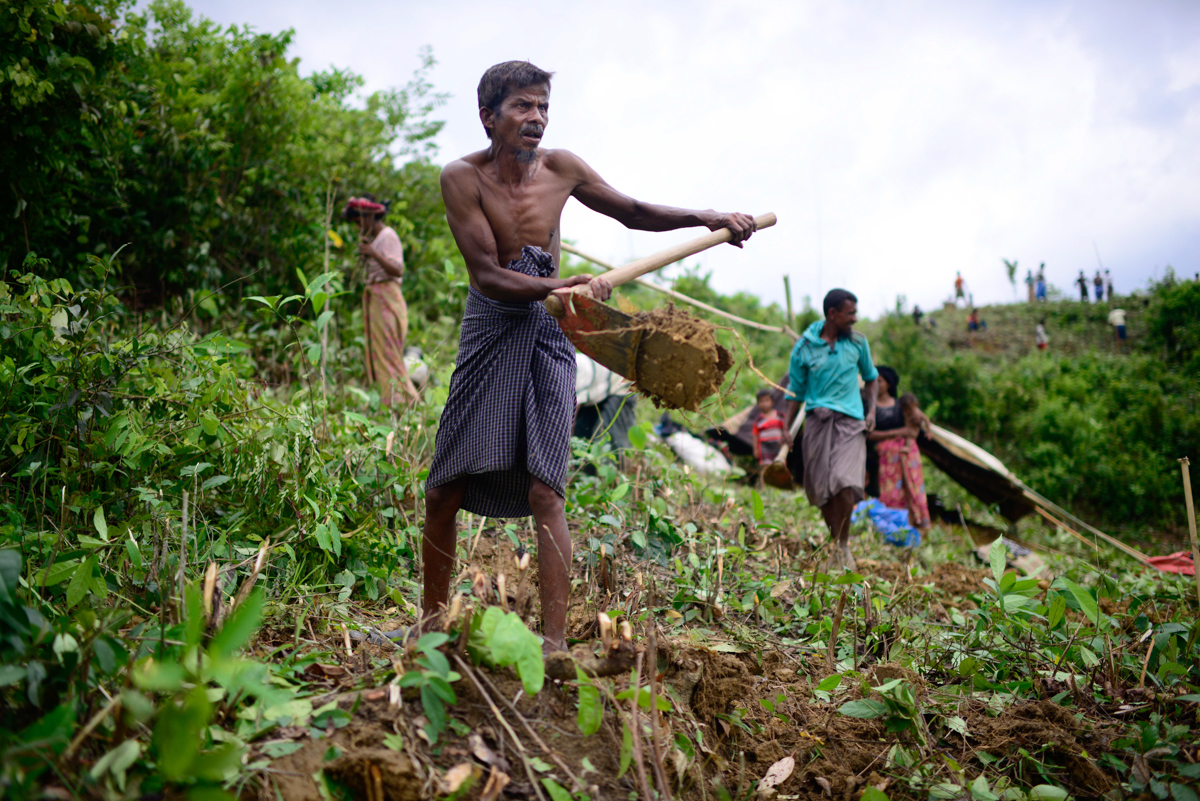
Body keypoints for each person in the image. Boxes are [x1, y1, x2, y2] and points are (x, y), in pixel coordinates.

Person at [424, 61, 757, 650]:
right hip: (492, 326)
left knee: (546, 489)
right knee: (445, 488)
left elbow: (631, 210)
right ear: (488, 117)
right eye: (523, 107)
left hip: (553, 334)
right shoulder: (462, 178)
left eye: (543, 107)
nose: (537, 119)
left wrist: (705, 217)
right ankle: (426, 631)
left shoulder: (563, 169)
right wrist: (557, 287)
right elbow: (488, 275)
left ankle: (553, 646)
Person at [783, 288, 879, 571]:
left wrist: (871, 410)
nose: (854, 319)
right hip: (817, 423)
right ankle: (836, 543)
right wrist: (786, 429)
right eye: (850, 313)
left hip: (851, 422)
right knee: (822, 490)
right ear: (832, 314)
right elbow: (795, 392)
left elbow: (871, 379)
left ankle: (843, 545)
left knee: (844, 481)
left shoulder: (858, 343)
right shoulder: (804, 347)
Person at [345, 195, 419, 404]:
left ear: (370, 217)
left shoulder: (388, 236)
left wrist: (373, 253)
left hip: (387, 296)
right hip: (376, 297)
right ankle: (390, 401)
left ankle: (406, 401)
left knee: (390, 352)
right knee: (381, 351)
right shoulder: (376, 239)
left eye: (360, 222)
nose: (359, 227)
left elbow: (397, 269)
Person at [865, 368, 931, 531]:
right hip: (883, 458)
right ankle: (890, 525)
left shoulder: (901, 405)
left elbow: (916, 422)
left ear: (889, 384)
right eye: (874, 381)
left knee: (910, 488)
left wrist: (922, 425)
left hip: (905, 455)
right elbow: (867, 434)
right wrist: (898, 433)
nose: (876, 384)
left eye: (880, 381)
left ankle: (912, 522)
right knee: (886, 490)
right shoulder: (869, 407)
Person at [574, 353, 636, 459]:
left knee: (611, 439)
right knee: (582, 431)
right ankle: (581, 468)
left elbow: (570, 420)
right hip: (595, 390)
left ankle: (614, 469)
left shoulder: (577, 372)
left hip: (619, 385)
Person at [751, 389, 785, 466]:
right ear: (758, 404)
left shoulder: (780, 416)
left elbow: (785, 430)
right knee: (766, 467)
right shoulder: (758, 420)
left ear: (772, 402)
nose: (764, 403)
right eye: (761, 401)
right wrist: (756, 449)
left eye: (767, 400)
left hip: (778, 446)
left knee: (780, 466)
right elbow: (755, 435)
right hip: (765, 448)